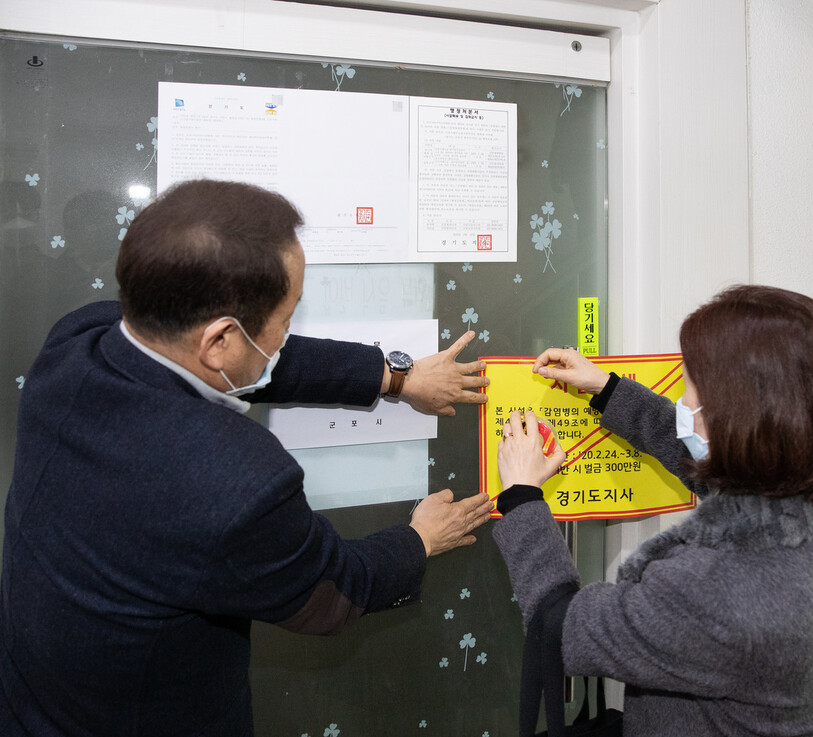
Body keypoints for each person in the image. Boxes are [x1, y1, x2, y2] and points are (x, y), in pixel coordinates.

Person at [0, 179, 494, 737]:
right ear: (221, 340)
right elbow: (333, 593)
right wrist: (421, 538)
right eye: (286, 318)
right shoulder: (234, 483)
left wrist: (393, 377)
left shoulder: (81, 340)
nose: (288, 333)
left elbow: (249, 359)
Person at [493, 285, 813, 737]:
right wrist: (607, 391)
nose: (683, 406)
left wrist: (523, 494)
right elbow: (716, 466)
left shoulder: (722, 593)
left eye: (692, 396)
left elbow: (561, 628)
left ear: (743, 422)